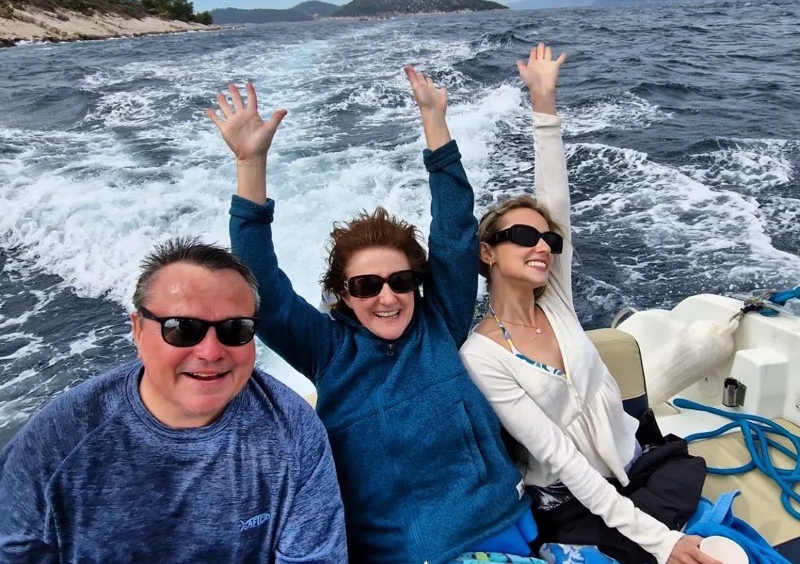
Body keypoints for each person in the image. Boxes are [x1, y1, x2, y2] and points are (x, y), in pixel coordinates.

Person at [208, 70, 537, 563]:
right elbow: (262, 287)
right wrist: (251, 164)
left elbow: (455, 232)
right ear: (343, 294)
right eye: (366, 286)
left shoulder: (439, 322)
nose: (388, 298)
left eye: (401, 281)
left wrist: (434, 121)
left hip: (504, 528)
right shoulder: (327, 351)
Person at [460, 43, 716, 564]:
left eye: (549, 242)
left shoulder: (557, 301)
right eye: (522, 236)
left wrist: (544, 103)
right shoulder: (481, 356)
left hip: (639, 465)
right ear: (486, 252)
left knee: (683, 486)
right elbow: (563, 461)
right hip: (572, 496)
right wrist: (661, 542)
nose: (541, 245)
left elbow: (557, 204)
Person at [0, 238, 347, 563]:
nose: (211, 352)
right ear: (137, 329)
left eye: (235, 329)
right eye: (182, 328)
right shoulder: (58, 440)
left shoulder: (293, 430)